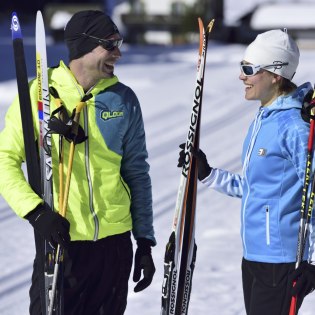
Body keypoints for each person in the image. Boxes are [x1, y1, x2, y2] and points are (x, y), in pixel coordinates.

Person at [0, 10, 155, 315]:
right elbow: (4, 161)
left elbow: (137, 172)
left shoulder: (123, 100)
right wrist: (36, 213)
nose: (118, 53)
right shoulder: (37, 97)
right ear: (85, 46)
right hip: (61, 244)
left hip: (114, 248)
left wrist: (145, 241)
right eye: (110, 45)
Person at [178, 29, 315, 314]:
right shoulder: (262, 119)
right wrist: (208, 174)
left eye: (249, 69)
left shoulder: (294, 128)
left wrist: (313, 262)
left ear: (276, 74)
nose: (242, 76)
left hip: (280, 261)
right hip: (254, 255)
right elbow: (258, 187)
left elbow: (312, 196)